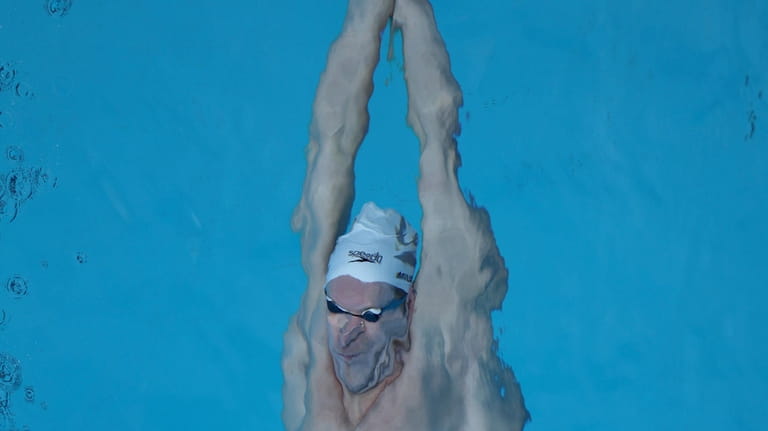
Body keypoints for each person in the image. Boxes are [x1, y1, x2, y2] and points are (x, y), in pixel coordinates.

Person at [282, 0, 529, 429]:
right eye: (338, 308)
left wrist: (414, 18)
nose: (347, 333)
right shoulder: (317, 327)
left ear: (406, 310)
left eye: (371, 316)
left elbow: (440, 154)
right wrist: (365, 19)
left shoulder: (440, 344)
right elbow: (327, 152)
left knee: (441, 173)